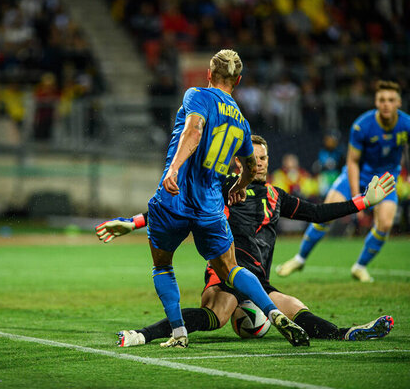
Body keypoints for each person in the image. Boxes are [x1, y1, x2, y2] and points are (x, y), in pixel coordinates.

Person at [96, 135, 395, 347]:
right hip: (226, 269)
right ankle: (143, 334)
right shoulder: (222, 187)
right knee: (219, 314)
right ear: (240, 162)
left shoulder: (277, 196)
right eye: (254, 158)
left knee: (289, 308)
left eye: (264, 157)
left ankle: (346, 334)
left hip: (258, 279)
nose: (260, 163)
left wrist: (363, 202)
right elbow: (174, 208)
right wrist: (132, 222)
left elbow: (317, 212)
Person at [142, 49, 308, 348]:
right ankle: (272, 312)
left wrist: (174, 169)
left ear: (209, 74)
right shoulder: (242, 122)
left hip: (174, 199)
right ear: (239, 80)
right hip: (210, 207)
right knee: (230, 269)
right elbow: (249, 167)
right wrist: (239, 187)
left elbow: (193, 130)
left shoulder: (198, 95)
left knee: (163, 265)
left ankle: (179, 333)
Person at [277, 80, 410, 283]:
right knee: (327, 212)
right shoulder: (362, 126)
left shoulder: (406, 124)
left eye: (391, 100)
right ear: (375, 101)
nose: (386, 104)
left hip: (386, 180)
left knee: (385, 223)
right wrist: (359, 196)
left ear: (399, 102)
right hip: (356, 176)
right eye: (382, 99)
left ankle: (360, 266)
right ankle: (299, 258)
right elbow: (353, 161)